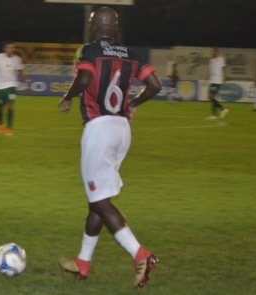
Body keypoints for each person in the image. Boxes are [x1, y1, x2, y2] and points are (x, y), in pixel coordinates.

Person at [57, 7, 161, 290]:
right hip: (122, 130)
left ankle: (141, 254)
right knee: (97, 198)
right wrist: (134, 104)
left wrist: (67, 98)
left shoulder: (90, 51)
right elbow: (155, 85)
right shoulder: (133, 54)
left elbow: (86, 78)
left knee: (101, 201)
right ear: (114, 28)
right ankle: (83, 262)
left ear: (94, 27)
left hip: (99, 129)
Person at [206, 47, 228, 119]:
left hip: (217, 81)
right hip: (212, 81)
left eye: (213, 52)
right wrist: (207, 79)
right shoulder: (211, 61)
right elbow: (211, 71)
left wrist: (224, 79)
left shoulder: (221, 59)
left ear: (217, 52)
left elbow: (223, 69)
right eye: (211, 52)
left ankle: (222, 109)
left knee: (211, 97)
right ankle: (214, 115)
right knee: (211, 97)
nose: (212, 53)